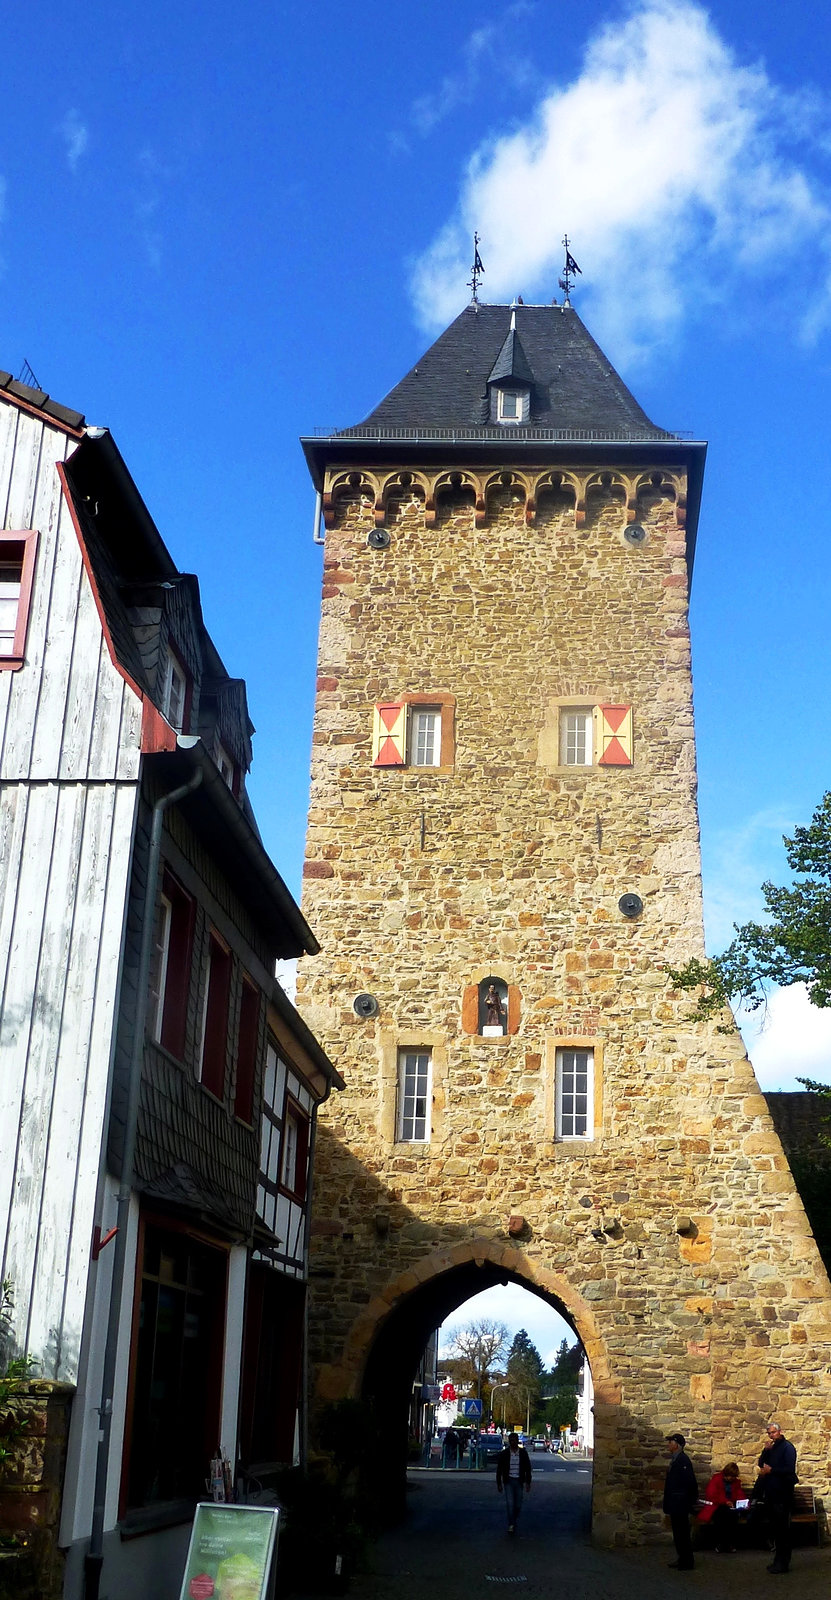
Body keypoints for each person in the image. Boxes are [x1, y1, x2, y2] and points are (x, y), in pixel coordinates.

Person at [756, 1421, 797, 1574]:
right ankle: (777, 1561)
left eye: (773, 1432)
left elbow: (789, 1469)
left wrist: (772, 1470)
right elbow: (762, 1464)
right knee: (776, 1529)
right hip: (772, 1494)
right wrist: (765, 1451)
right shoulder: (772, 1448)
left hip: (783, 1494)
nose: (771, 1435)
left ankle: (783, 1563)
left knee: (783, 1530)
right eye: (769, 1433)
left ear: (779, 1431)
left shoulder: (788, 1448)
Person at [663, 1432, 699, 1570]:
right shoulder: (676, 1460)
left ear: (677, 1445)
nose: (668, 1445)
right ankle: (682, 1559)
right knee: (678, 1534)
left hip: (680, 1504)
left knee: (682, 1534)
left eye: (670, 1442)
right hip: (676, 1503)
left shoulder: (683, 1461)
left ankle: (687, 1561)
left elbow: (690, 1483)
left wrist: (688, 1502)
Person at [698, 1461, 744, 1552]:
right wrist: (725, 1501)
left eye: (734, 1477)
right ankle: (722, 1544)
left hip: (730, 1507)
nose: (732, 1479)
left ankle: (727, 1544)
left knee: (732, 1517)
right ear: (726, 1474)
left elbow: (739, 1494)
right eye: (731, 1476)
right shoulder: (716, 1479)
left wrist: (743, 1503)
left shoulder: (736, 1482)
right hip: (716, 1506)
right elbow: (711, 1495)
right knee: (721, 1517)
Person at [496, 1431, 532, 1534]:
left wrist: (528, 1482)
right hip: (508, 1481)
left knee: (518, 1505)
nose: (512, 1443)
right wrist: (499, 1483)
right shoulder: (504, 1454)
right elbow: (499, 1469)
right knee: (510, 1503)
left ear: (517, 1441)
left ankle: (514, 1519)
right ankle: (511, 1524)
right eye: (511, 1441)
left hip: (519, 1481)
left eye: (514, 1441)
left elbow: (527, 1468)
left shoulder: (523, 1453)